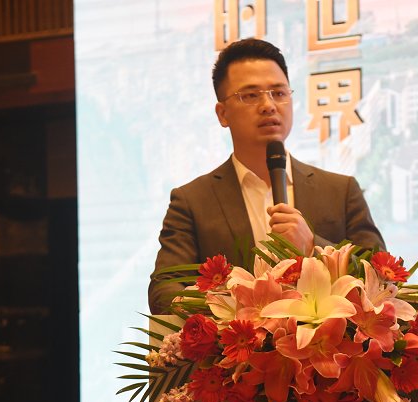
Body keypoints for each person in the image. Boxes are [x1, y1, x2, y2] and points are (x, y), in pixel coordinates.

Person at [148, 38, 386, 314]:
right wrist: (231, 314)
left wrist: (313, 247)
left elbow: (382, 277)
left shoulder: (340, 190)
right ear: (222, 114)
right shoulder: (192, 202)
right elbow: (164, 291)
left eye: (279, 93)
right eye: (250, 95)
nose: (268, 105)